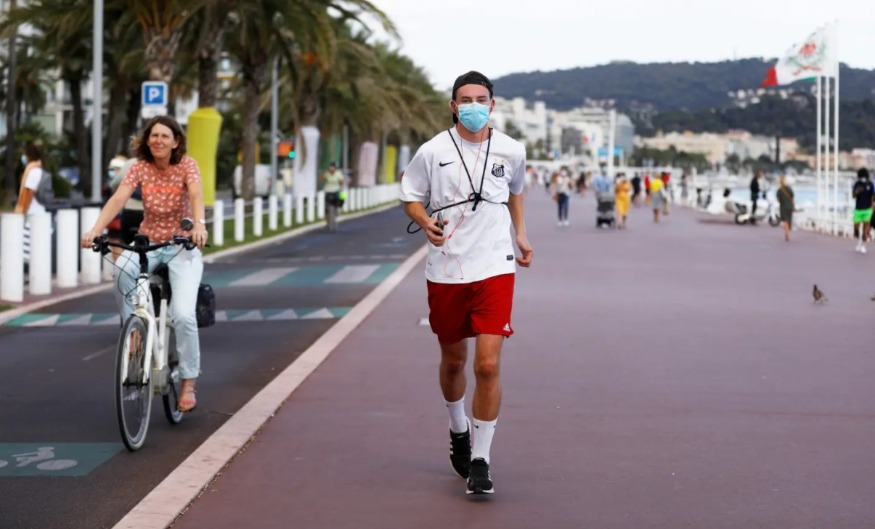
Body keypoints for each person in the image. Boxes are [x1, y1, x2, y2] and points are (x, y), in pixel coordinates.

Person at [400, 71, 533, 495]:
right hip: (448, 266)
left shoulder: (511, 149)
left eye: (481, 99)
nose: (473, 106)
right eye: (465, 99)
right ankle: (458, 429)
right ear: (454, 106)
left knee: (487, 364)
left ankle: (481, 459)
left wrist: (521, 234)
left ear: (491, 105)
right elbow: (410, 195)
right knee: (454, 360)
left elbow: (515, 191)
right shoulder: (432, 151)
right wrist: (425, 222)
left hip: (495, 264)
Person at [79, 116, 208, 413]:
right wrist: (95, 230)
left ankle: (189, 380)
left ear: (175, 142)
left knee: (183, 315)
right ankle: (136, 332)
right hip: (147, 243)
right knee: (121, 270)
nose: (158, 141)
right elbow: (118, 199)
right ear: (147, 140)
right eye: (154, 136)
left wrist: (199, 225)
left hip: (181, 246)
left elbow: (196, 195)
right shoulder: (139, 167)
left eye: (165, 136)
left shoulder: (187, 165)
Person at [319, 161, 346, 232]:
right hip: (328, 191)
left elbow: (341, 181)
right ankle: (328, 223)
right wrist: (324, 175)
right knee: (327, 209)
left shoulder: (338, 173)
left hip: (336, 191)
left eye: (333, 167)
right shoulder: (327, 173)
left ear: (335, 168)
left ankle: (338, 210)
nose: (331, 169)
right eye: (330, 167)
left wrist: (341, 188)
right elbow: (321, 178)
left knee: (341, 200)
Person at [851, 167, 873, 253]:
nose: (862, 178)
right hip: (858, 209)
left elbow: (872, 196)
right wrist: (857, 191)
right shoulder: (857, 184)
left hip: (867, 209)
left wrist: (872, 207)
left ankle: (863, 245)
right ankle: (859, 240)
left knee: (865, 229)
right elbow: (853, 196)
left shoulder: (870, 184)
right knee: (856, 228)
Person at [776, 175, 795, 242]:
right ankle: (788, 231)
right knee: (789, 219)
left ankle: (786, 233)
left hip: (783, 207)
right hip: (789, 206)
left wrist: (782, 200)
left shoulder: (779, 190)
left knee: (785, 221)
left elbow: (778, 200)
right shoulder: (788, 188)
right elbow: (792, 196)